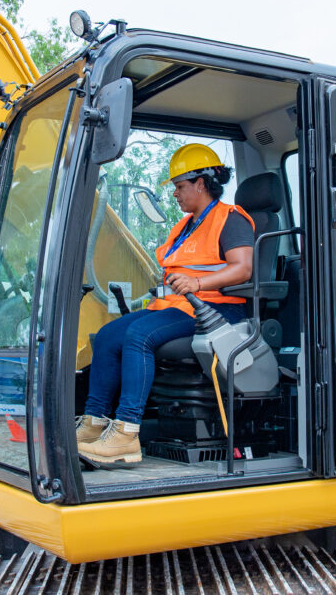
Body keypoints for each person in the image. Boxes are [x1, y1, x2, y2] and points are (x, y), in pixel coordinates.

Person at [78, 144, 255, 465]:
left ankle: (126, 435)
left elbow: (242, 268)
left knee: (138, 337)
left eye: (179, 186)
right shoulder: (185, 226)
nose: (175, 193)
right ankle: (94, 424)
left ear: (200, 183)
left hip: (215, 310)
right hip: (179, 306)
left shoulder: (230, 220)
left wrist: (197, 283)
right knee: (107, 336)